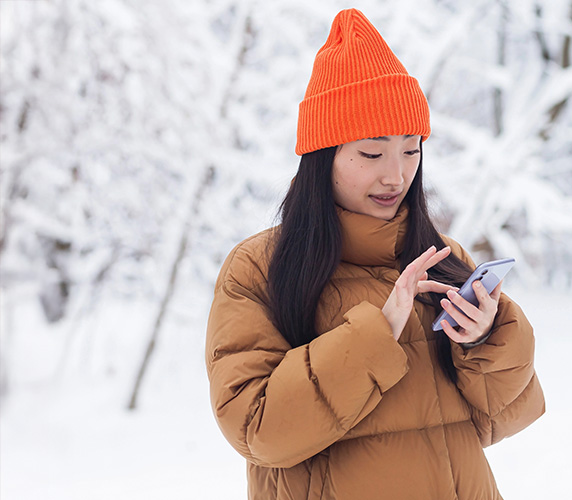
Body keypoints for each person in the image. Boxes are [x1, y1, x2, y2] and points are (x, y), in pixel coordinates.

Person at [204, 8, 545, 500]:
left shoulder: (441, 258)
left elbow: (503, 419)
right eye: (371, 153)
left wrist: (485, 338)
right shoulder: (260, 268)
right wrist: (377, 334)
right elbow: (257, 430)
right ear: (324, 156)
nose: (395, 175)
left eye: (411, 151)